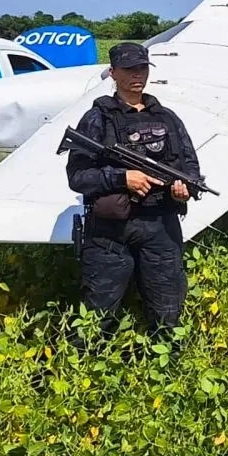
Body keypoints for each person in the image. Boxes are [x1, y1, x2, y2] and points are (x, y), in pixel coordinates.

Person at [65, 42, 201, 349]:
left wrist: (184, 190)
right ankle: (82, 374)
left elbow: (190, 168)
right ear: (113, 73)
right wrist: (122, 177)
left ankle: (167, 376)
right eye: (128, 70)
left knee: (167, 307)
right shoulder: (97, 118)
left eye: (141, 68)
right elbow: (77, 177)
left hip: (160, 225)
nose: (136, 76)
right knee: (97, 312)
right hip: (110, 230)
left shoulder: (167, 118)